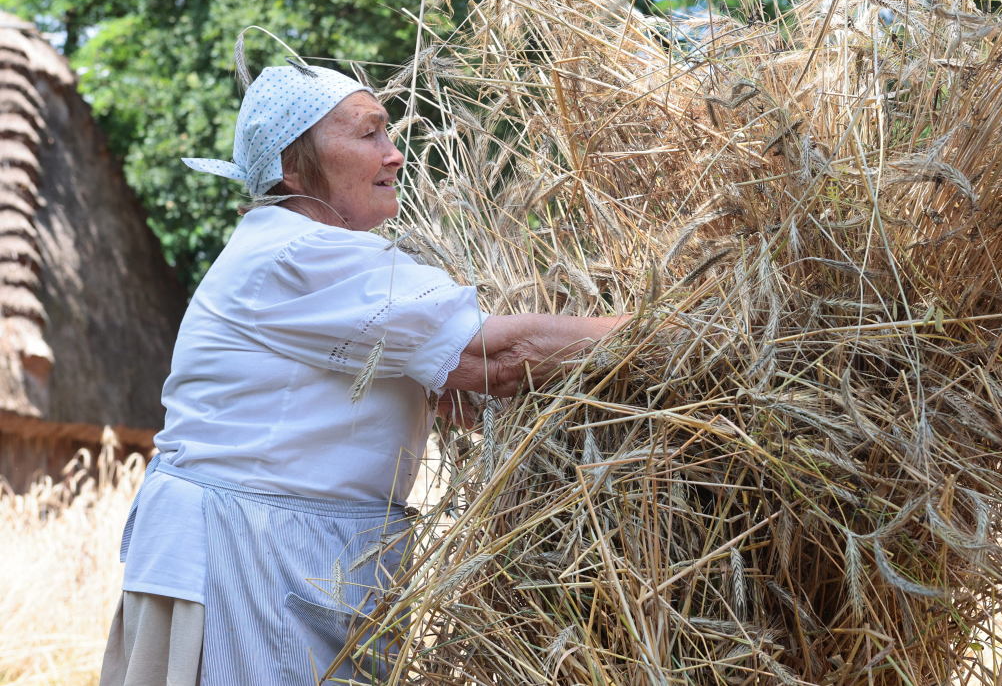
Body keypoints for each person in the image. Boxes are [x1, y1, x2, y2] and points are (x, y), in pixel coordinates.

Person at [100, 61, 625, 685]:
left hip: (285, 553)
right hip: (245, 558)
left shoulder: (293, 252)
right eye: (369, 133)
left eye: (389, 132)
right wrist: (676, 324)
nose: (394, 154)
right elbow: (499, 358)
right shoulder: (300, 252)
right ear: (294, 167)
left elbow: (446, 384)